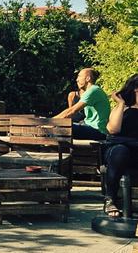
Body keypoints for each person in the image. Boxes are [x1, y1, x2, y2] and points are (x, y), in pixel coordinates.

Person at [101, 74, 138, 218]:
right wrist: (120, 103)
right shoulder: (123, 108)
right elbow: (113, 130)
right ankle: (110, 199)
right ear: (135, 90)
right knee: (120, 151)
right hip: (119, 151)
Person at [54, 68, 110, 140]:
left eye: (79, 76)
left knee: (62, 127)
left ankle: (44, 147)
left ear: (88, 78)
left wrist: (51, 122)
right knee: (62, 125)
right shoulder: (92, 90)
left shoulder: (93, 90)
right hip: (88, 126)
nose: (77, 79)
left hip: (98, 131)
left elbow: (72, 111)